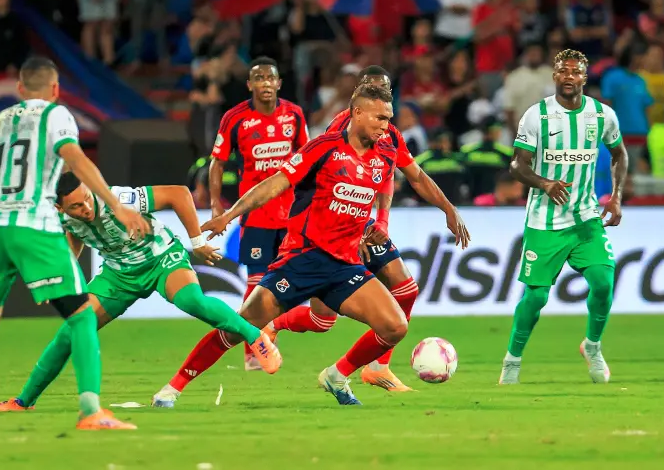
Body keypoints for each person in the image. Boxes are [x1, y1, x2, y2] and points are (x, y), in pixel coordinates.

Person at [153, 82, 469, 408]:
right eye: (378, 118)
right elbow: (276, 183)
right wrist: (230, 214)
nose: (384, 126)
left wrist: (448, 208)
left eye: (388, 119)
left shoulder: (387, 148)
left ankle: (337, 375)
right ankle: (171, 389)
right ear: (356, 113)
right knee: (238, 328)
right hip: (302, 258)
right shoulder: (324, 147)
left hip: (344, 265)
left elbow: (416, 177)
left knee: (394, 327)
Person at [0, 57, 151, 432]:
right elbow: (74, 158)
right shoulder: (56, 116)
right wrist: (115, 204)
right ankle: (91, 410)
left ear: (20, 89)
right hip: (34, 225)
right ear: (55, 89)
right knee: (82, 316)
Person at [0, 173, 280, 413]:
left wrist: (197, 240)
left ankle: (256, 337)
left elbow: (178, 193)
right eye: (76, 207)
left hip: (161, 257)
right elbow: (75, 236)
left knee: (191, 300)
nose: (86, 208)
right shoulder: (61, 218)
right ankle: (23, 401)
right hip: (119, 275)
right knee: (71, 331)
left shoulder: (117, 198)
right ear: (60, 208)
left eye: (86, 199)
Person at [499, 49, 628, 385]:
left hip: (585, 216)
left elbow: (619, 154)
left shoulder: (602, 115)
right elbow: (517, 164)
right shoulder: (537, 115)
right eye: (563, 71)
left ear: (585, 77)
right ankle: (512, 360)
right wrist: (544, 183)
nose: (569, 76)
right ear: (554, 76)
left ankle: (593, 345)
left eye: (576, 71)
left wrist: (615, 197)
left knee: (603, 282)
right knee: (537, 296)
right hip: (545, 220)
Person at [205, 56, 309, 371]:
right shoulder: (234, 119)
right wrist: (215, 203)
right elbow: (217, 161)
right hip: (257, 217)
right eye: (259, 78)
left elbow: (307, 158)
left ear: (279, 83)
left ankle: (269, 332)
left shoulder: (294, 115)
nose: (265, 83)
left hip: (291, 215)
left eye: (270, 78)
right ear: (249, 85)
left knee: (292, 282)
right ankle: (253, 350)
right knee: (257, 281)